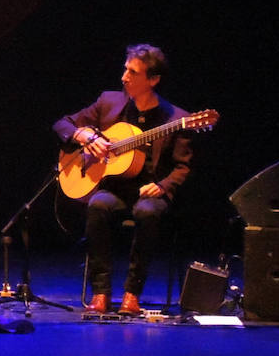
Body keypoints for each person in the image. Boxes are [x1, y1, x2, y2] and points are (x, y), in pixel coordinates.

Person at [53, 44, 192, 316]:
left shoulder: (177, 118)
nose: (124, 77)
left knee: (147, 212)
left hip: (151, 192)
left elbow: (183, 167)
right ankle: (101, 293)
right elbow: (63, 124)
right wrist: (85, 137)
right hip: (115, 189)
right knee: (98, 206)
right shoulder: (109, 102)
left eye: (133, 72)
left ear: (153, 80)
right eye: (125, 69)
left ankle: (132, 294)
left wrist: (163, 186)